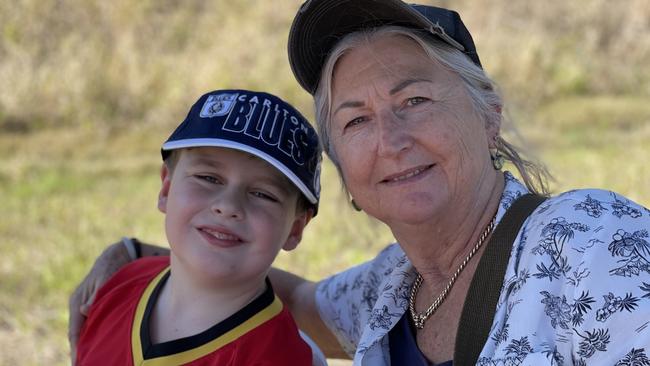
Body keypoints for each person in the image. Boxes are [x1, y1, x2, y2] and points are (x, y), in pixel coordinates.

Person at [70, 1, 650, 365]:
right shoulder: (389, 291)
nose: (390, 140)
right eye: (355, 120)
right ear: (341, 166)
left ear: (488, 114)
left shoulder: (587, 242)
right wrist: (145, 253)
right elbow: (295, 298)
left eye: (414, 100)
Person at [74, 89, 325, 365]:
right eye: (208, 177)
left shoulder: (283, 358)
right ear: (167, 189)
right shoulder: (116, 288)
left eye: (263, 194)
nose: (228, 206)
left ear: (295, 229)